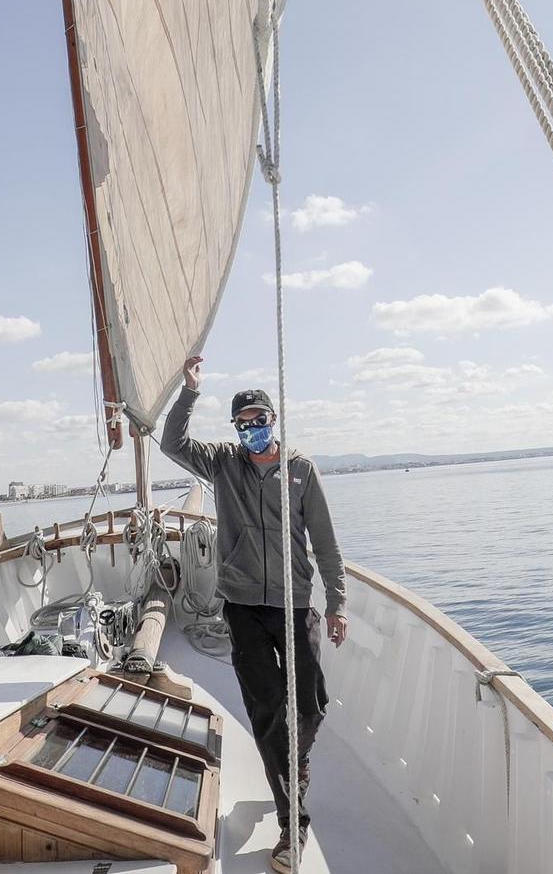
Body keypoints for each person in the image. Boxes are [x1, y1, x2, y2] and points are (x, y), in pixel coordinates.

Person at [159, 354, 347, 873]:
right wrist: (190, 391)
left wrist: (337, 604)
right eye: (243, 426)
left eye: (258, 423)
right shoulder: (223, 463)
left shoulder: (301, 471)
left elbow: (327, 545)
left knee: (309, 706)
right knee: (267, 713)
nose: (251, 433)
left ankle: (297, 760)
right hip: (243, 607)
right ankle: (294, 824)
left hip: (295, 603)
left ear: (273, 421)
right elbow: (173, 444)